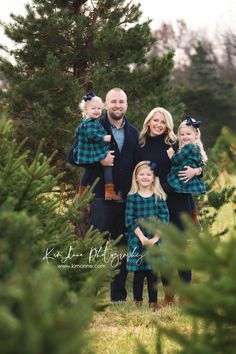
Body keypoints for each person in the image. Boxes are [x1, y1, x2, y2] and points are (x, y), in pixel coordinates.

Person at [135, 107, 203, 305]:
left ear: (168, 125)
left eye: (162, 121)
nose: (158, 124)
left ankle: (186, 295)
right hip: (155, 203)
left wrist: (197, 171)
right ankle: (169, 294)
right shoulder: (140, 146)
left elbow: (197, 159)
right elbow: (139, 173)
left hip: (178, 201)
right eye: (155, 120)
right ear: (148, 121)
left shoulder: (175, 143)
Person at [86, 88, 139, 302]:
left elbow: (138, 163)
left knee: (121, 248)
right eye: (114, 101)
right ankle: (89, 296)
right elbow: (73, 156)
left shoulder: (133, 132)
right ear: (106, 104)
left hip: (125, 199)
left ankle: (118, 296)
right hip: (101, 198)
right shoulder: (93, 126)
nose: (118, 105)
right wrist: (99, 160)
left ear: (126, 105)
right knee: (96, 246)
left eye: (122, 101)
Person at [125, 161, 169, 310]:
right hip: (138, 240)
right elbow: (129, 220)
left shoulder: (159, 197)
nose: (145, 177)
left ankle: (153, 303)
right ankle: (137, 302)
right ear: (136, 177)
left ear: (153, 178)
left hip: (155, 239)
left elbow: (164, 218)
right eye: (141, 174)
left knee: (152, 273)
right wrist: (142, 237)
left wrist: (156, 238)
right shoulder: (132, 197)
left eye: (148, 174)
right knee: (138, 273)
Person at [73, 92, 121, 201]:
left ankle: (81, 194)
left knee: (88, 172)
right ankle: (109, 192)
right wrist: (104, 138)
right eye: (93, 108)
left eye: (99, 108)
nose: (97, 110)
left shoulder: (92, 122)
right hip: (93, 152)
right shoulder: (90, 122)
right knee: (107, 167)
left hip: (90, 152)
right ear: (85, 110)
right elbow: (91, 135)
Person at [167, 117, 207, 195]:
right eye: (182, 134)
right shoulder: (196, 147)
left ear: (196, 135)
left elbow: (176, 161)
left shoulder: (188, 147)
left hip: (179, 179)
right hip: (189, 181)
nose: (185, 137)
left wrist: (171, 155)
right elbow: (200, 164)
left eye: (188, 134)